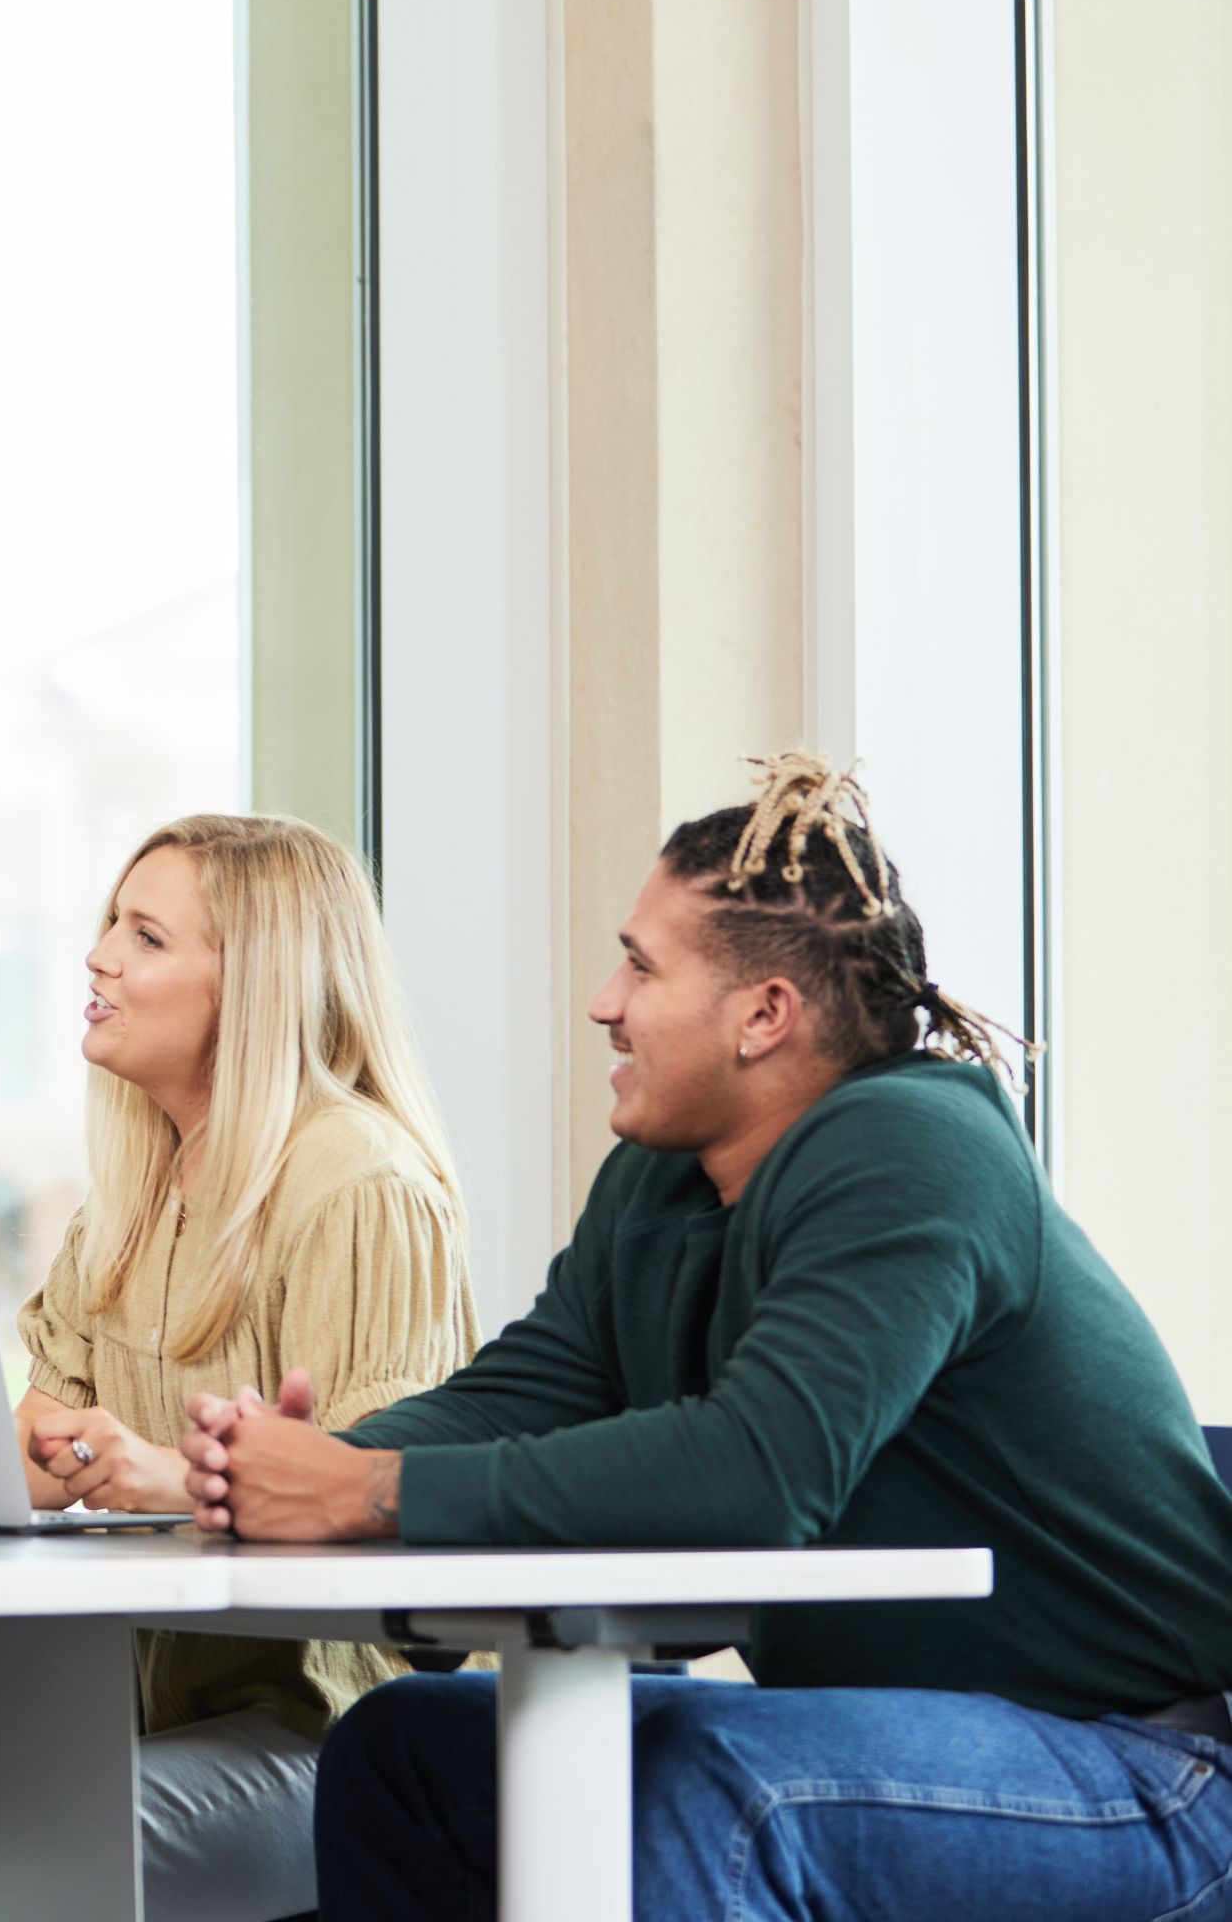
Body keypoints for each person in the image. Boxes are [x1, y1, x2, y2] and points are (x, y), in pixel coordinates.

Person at [177, 755, 1232, 1922]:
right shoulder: (663, 1176)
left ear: (762, 1015)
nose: (603, 1002)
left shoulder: (911, 1149)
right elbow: (523, 1392)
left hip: (1141, 1771)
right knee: (409, 1749)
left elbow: (757, 1472)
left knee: (721, 1791)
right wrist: (297, 1467)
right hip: (891, 1736)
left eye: (639, 966)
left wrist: (364, 1491)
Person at [11, 813, 478, 1922]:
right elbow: (37, 1452)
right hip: (144, 1721)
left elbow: (396, 1513)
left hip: (333, 1739)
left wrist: (176, 1478)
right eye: (109, 924)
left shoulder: (358, 1183)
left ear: (255, 985)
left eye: (145, 936)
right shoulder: (126, 1204)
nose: (97, 958)